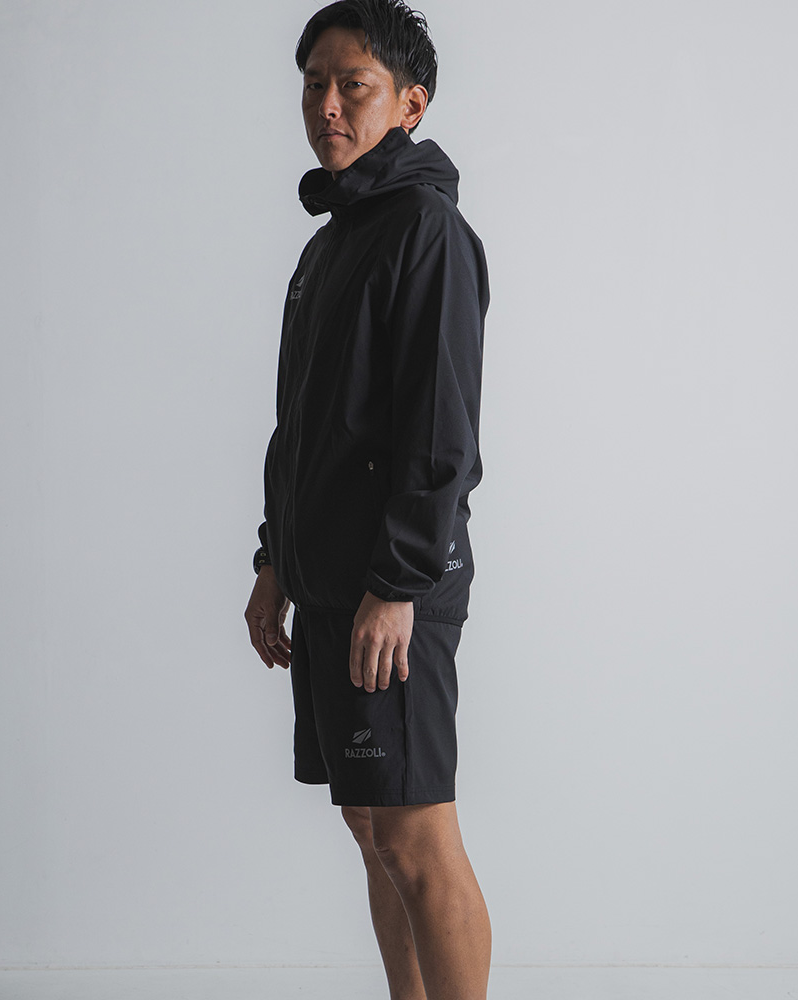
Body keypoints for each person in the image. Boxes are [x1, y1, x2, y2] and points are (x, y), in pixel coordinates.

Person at [243, 2, 491, 997]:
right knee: (370, 824)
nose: (328, 105)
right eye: (315, 84)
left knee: (417, 835)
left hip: (396, 585)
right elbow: (300, 427)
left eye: (354, 85)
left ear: (410, 104)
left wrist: (396, 585)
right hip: (329, 580)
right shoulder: (330, 244)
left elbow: (440, 436)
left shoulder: (427, 232)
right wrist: (275, 560)